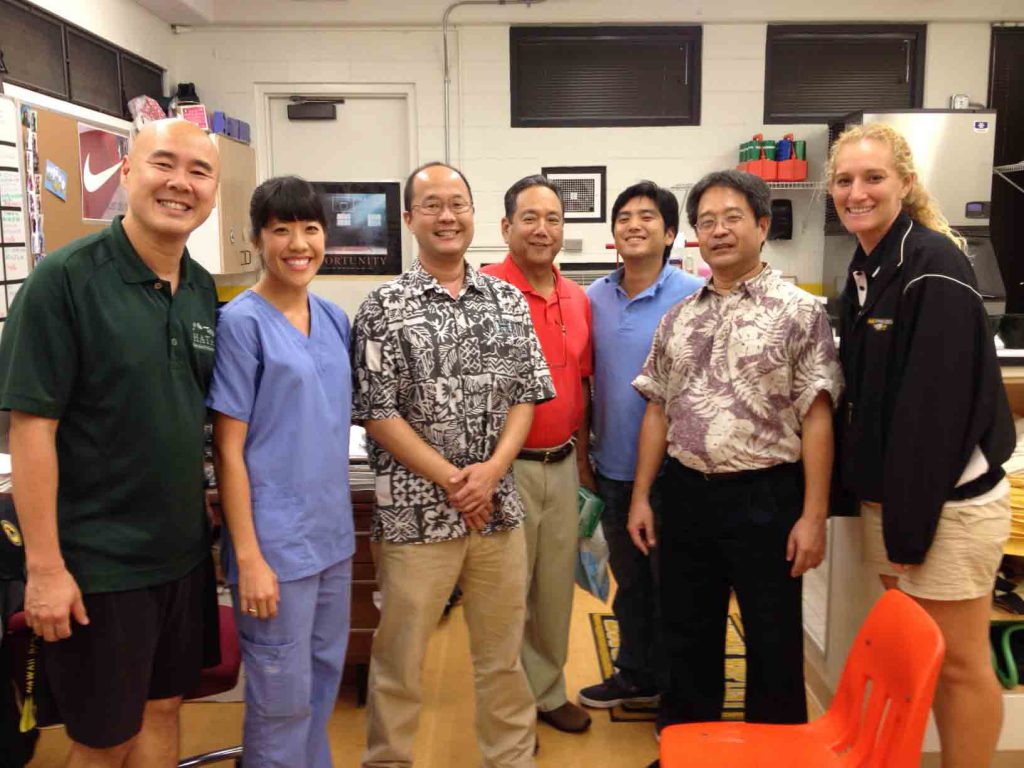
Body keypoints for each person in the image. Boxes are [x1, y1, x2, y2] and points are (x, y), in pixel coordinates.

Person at [0, 119, 220, 768]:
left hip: (180, 554)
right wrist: (44, 570)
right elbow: (31, 430)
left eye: (199, 171)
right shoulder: (65, 281)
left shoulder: (203, 289)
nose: (181, 183)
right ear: (126, 173)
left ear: (214, 189)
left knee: (162, 708)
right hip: (99, 563)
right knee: (105, 737)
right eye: (163, 164)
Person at [352, 161, 554, 768]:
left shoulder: (507, 300)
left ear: (473, 215)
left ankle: (512, 759)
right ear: (410, 219)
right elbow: (377, 412)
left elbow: (524, 393)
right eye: (432, 205)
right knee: (400, 661)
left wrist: (491, 472)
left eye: (458, 203)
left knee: (501, 658)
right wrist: (454, 480)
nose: (447, 215)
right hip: (414, 519)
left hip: (499, 512)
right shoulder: (382, 307)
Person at [629, 170, 842, 738]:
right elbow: (657, 408)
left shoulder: (800, 312)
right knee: (685, 636)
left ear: (762, 225)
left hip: (767, 498)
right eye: (706, 222)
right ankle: (687, 748)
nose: (718, 230)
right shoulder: (678, 316)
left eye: (732, 218)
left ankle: (775, 753)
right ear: (693, 234)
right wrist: (642, 497)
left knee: (772, 640)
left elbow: (817, 415)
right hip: (685, 494)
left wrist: (813, 516)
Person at [828, 123, 1014, 768]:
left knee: (959, 662)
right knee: (921, 654)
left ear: (904, 183)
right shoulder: (870, 263)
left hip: (946, 504)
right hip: (900, 502)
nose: (858, 191)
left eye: (873, 177)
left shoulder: (933, 264)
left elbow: (932, 413)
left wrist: (908, 530)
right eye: (846, 180)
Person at [207, 176, 354, 767]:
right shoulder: (242, 323)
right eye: (281, 229)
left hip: (332, 537)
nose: (299, 243)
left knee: (322, 683)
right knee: (279, 698)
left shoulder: (334, 318)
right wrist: (248, 557)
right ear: (256, 238)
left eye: (311, 228)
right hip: (272, 547)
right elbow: (228, 450)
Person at [578, 181, 702, 711]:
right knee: (629, 583)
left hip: (679, 472)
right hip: (613, 468)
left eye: (648, 217)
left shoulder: (696, 294)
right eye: (624, 216)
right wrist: (585, 458)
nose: (634, 224)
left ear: (670, 232)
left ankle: (679, 689)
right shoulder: (592, 299)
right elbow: (584, 383)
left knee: (674, 585)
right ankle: (635, 674)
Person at [481, 175, 593, 734]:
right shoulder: (483, 293)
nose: (542, 229)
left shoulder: (577, 298)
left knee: (553, 592)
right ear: (506, 227)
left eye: (552, 218)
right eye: (529, 218)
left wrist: (587, 468)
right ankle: (508, 709)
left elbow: (584, 387)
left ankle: (547, 692)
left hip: (563, 463)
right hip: (507, 471)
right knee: (504, 599)